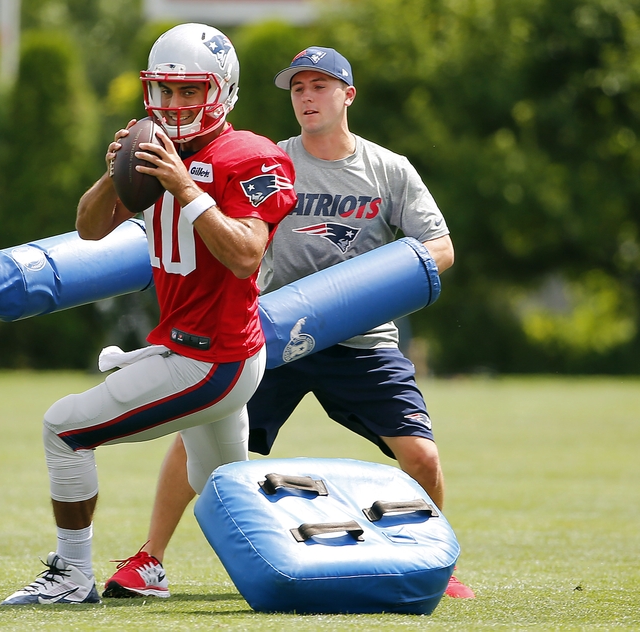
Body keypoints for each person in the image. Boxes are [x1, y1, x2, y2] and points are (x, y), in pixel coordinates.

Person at [103, 46, 476, 600]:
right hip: (274, 334)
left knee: (421, 456)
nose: (307, 96)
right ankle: (149, 559)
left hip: (362, 341)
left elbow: (439, 248)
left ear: (347, 95)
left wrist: (370, 293)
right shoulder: (265, 159)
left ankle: (427, 564)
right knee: (194, 437)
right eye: (298, 88)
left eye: (319, 86)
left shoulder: (388, 169)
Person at [0, 23, 297, 606]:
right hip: (186, 347)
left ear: (222, 92)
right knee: (223, 487)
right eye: (165, 91)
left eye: (190, 91)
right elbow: (89, 229)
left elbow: (244, 256)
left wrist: (187, 189)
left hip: (216, 357)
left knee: (64, 428)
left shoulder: (250, 156)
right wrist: (113, 172)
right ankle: (300, 565)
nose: (175, 105)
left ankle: (71, 575)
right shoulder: (156, 151)